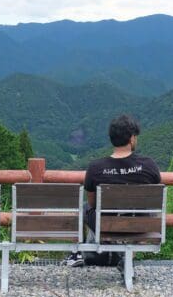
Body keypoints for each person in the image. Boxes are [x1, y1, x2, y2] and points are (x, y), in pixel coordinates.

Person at [64, 114, 161, 267]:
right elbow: (153, 196)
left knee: (84, 207)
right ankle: (128, 258)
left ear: (112, 139)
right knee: (150, 210)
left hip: (105, 225)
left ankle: (77, 252)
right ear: (132, 139)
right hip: (139, 226)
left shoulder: (96, 168)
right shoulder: (149, 166)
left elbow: (92, 203)